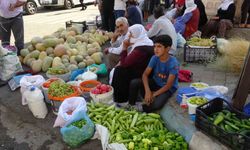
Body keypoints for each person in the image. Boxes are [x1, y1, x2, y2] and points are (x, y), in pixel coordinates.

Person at [127, 35, 179, 112]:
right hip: (155, 82)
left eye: (159, 47)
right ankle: (131, 105)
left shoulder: (173, 63)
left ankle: (140, 108)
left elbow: (168, 85)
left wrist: (154, 94)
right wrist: (148, 91)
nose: (155, 49)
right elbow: (145, 75)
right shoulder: (154, 58)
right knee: (134, 82)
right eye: (154, 46)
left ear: (167, 49)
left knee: (157, 105)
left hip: (167, 88)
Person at [111, 24, 154, 103]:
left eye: (132, 33)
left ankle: (121, 100)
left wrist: (124, 48)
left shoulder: (140, 48)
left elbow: (124, 64)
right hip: (143, 68)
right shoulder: (146, 41)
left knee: (119, 71)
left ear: (137, 34)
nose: (130, 35)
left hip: (143, 72)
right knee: (118, 68)